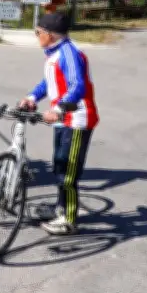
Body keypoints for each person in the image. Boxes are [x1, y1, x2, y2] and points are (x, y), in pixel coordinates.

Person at [18, 12, 99, 236]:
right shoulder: (54, 53)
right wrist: (32, 97)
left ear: (51, 35)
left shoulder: (69, 54)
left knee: (68, 173)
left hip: (76, 120)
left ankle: (69, 220)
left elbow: (77, 86)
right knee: (60, 166)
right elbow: (49, 82)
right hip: (64, 119)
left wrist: (58, 109)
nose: (37, 36)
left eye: (38, 32)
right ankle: (61, 208)